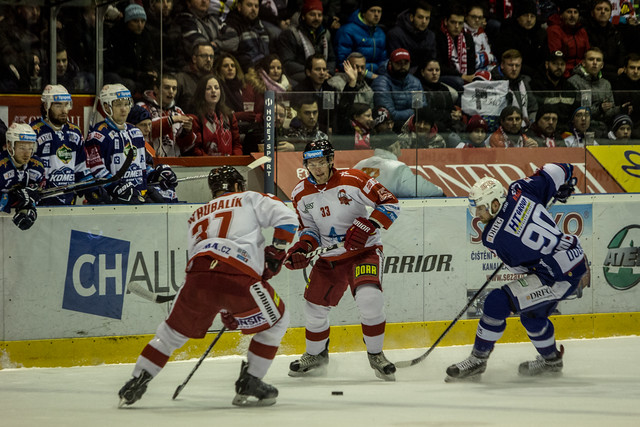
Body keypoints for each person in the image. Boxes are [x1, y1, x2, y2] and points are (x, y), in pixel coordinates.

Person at [118, 166, 299, 407]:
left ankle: (137, 380)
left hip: (197, 277)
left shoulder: (197, 215)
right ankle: (252, 380)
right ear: (236, 185)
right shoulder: (249, 197)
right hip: (237, 274)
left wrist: (226, 309)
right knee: (277, 321)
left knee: (170, 334)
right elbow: (288, 219)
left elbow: (208, 268)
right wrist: (276, 253)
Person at [445, 164, 589, 381]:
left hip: (557, 276)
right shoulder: (519, 189)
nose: (477, 214)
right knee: (533, 316)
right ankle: (551, 361)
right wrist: (566, 181)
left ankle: (477, 360)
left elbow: (521, 269)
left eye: (481, 208)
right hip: (574, 258)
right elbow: (555, 169)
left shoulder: (493, 237)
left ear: (495, 203)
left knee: (496, 302)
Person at [284, 139, 400, 381]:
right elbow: (309, 229)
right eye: (311, 163)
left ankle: (376, 354)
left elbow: (389, 203)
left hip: (364, 252)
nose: (317, 168)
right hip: (329, 257)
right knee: (314, 308)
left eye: (321, 162)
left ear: (330, 160)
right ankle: (316, 355)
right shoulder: (299, 194)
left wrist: (370, 224)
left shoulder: (354, 179)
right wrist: (303, 247)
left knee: (370, 298)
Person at [85, 84, 178, 203]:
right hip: (113, 204)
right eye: (118, 104)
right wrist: (117, 187)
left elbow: (142, 167)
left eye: (126, 103)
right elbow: (96, 170)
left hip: (139, 198)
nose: (124, 109)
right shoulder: (98, 135)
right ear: (107, 107)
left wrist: (158, 175)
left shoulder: (135, 133)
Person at [30, 85, 101, 205]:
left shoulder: (74, 132)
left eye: (66, 105)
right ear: (46, 106)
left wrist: (92, 189)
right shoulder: (33, 132)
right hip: (41, 205)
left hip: (69, 203)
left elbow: (81, 168)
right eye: (58, 105)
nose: (64, 110)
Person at [355, 132, 444, 197]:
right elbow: (415, 189)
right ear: (395, 147)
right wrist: (439, 191)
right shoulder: (397, 168)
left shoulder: (360, 165)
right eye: (399, 146)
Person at [275, 0, 335, 86]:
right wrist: (313, 71)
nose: (317, 18)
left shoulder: (325, 34)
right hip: (299, 74)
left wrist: (328, 72)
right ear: (303, 16)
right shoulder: (291, 34)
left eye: (319, 15)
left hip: (321, 73)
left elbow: (331, 59)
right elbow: (287, 63)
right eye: (312, 14)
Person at [104, 3, 158, 92]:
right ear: (127, 21)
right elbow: (115, 66)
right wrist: (138, 74)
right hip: (120, 76)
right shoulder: (116, 36)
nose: (140, 25)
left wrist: (152, 72)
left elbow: (149, 59)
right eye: (136, 21)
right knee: (129, 84)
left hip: (139, 76)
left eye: (143, 21)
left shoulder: (146, 36)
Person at [0, 123, 44, 231]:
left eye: (30, 147)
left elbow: (40, 189)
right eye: (22, 147)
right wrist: (13, 199)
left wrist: (30, 209)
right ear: (10, 146)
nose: (27, 153)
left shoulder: (37, 166)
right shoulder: (1, 166)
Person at [138, 74, 195, 157]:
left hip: (175, 163)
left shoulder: (178, 111)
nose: (171, 91)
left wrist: (187, 132)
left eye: (174, 88)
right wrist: (170, 120)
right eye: (167, 87)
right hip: (150, 163)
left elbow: (186, 146)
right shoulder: (142, 107)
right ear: (156, 89)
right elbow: (145, 131)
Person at [185, 75, 243, 156]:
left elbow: (236, 145)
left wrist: (235, 162)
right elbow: (195, 149)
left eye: (216, 88)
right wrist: (212, 163)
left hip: (229, 164)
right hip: (206, 165)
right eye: (208, 88)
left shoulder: (229, 115)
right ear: (201, 92)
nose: (213, 91)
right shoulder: (195, 117)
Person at [567, 47, 618, 137]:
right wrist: (600, 109)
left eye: (598, 60)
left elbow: (610, 111)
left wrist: (620, 108)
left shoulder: (606, 84)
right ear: (583, 63)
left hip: (604, 130)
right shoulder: (573, 82)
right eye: (591, 59)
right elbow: (578, 112)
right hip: (582, 131)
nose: (595, 63)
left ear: (602, 65)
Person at [492, 0, 548, 79]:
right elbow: (509, 60)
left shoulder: (541, 34)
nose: (529, 19)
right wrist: (534, 74)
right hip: (516, 73)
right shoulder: (507, 33)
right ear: (518, 17)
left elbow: (545, 57)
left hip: (538, 74)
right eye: (525, 15)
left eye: (532, 16)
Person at [371, 49, 424, 126]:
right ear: (390, 63)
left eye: (406, 63)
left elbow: (421, 110)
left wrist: (417, 114)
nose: (402, 66)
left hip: (414, 125)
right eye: (398, 63)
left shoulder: (415, 81)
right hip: (391, 126)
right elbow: (390, 115)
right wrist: (414, 112)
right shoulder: (380, 83)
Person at [334, 0, 387, 77]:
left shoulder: (380, 33)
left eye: (379, 11)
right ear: (364, 13)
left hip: (377, 76)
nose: (376, 14)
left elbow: (383, 60)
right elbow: (343, 61)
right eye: (372, 11)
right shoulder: (347, 31)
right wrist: (367, 74)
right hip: (353, 76)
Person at [530, 50, 577, 133]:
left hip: (567, 131)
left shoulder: (569, 87)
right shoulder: (536, 85)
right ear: (547, 65)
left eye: (562, 64)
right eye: (555, 63)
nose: (559, 67)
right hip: (543, 131)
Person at [489, 49, 538, 127]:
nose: (514, 69)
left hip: (523, 128)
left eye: (517, 65)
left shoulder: (524, 82)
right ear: (502, 65)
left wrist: (531, 124)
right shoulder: (492, 82)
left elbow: (533, 108)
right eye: (511, 65)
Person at [218, 0, 270, 71]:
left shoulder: (261, 26)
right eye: (249, 5)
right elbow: (235, 56)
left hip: (266, 69)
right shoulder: (232, 25)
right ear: (239, 7)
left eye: (256, 6)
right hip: (248, 71)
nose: (253, 9)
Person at [386, 1, 437, 74]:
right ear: (411, 17)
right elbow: (397, 64)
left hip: (426, 75)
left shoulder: (431, 36)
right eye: (420, 17)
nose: (424, 21)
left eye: (427, 18)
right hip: (403, 74)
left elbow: (433, 60)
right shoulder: (395, 34)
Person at [435, 4, 476, 91]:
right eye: (453, 22)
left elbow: (471, 63)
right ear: (446, 21)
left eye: (460, 23)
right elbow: (438, 65)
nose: (457, 27)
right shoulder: (438, 37)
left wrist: (471, 77)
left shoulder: (467, 38)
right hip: (442, 75)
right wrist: (461, 76)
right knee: (459, 82)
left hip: (463, 75)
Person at [584, 0, 627, 82]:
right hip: (595, 71)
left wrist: (621, 67)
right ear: (592, 13)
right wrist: (616, 70)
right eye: (599, 9)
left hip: (615, 71)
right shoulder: (586, 31)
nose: (603, 12)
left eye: (606, 10)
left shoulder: (615, 31)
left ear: (610, 14)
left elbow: (621, 52)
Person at [547, 1, 590, 78]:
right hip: (563, 74)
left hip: (582, 72)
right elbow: (556, 58)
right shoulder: (554, 30)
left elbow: (588, 54)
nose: (572, 15)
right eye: (569, 12)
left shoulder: (582, 31)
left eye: (575, 12)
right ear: (561, 15)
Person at [176, 42, 215, 113]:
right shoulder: (181, 79)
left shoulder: (215, 80)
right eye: (204, 56)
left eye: (211, 56)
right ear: (194, 59)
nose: (209, 59)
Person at [612, 53, 640, 138]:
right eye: (632, 68)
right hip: (621, 124)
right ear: (624, 69)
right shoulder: (616, 84)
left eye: (639, 68)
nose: (636, 71)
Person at [464, 3, 496, 72]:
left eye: (480, 17)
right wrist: (487, 57)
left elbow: (490, 55)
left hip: (487, 69)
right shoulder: (462, 33)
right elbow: (471, 62)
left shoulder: (481, 31)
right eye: (473, 17)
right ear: (466, 17)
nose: (477, 20)